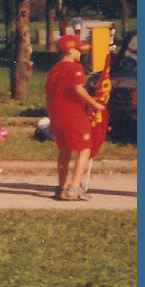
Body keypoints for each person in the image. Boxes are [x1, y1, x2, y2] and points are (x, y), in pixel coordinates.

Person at [45, 34, 105, 201]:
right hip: (74, 114)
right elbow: (79, 89)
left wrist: (51, 117)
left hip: (57, 115)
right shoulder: (75, 68)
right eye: (78, 49)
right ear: (69, 50)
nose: (80, 53)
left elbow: (48, 95)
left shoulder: (54, 69)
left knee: (65, 150)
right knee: (85, 148)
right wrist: (94, 104)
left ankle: (61, 187)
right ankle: (75, 187)